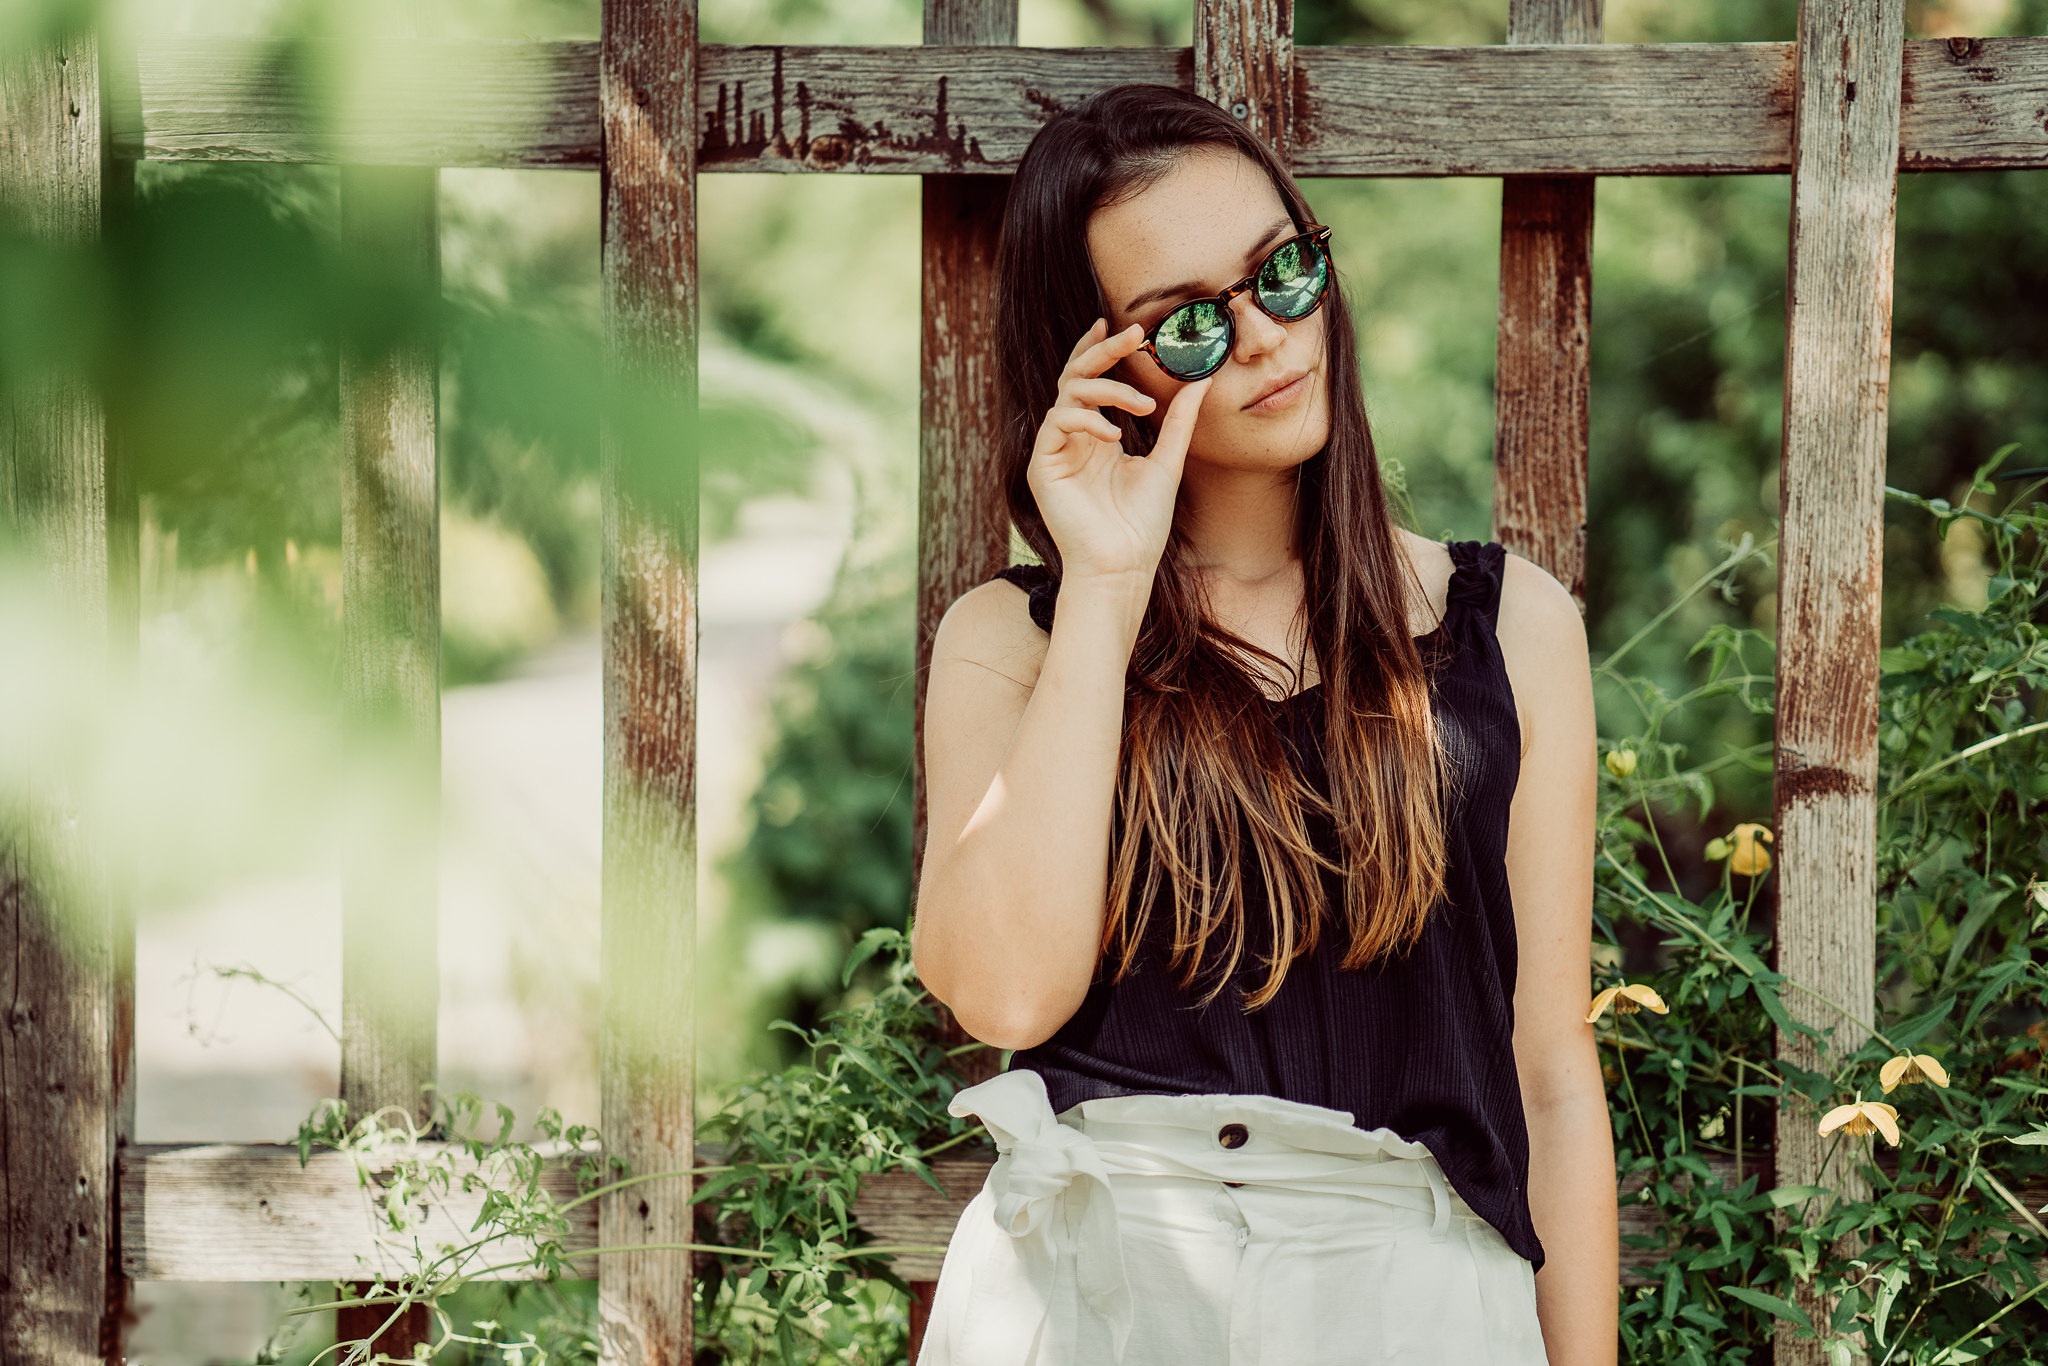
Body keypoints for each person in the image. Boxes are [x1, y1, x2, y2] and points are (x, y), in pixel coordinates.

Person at [909, 82, 1615, 1365]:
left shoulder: (1511, 627)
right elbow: (1004, 990)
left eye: (1279, 271)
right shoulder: (1014, 642)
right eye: (1185, 323)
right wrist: (1109, 589)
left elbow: (1551, 1073)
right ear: (1093, 367)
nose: (1263, 338)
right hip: (1097, 1292)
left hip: (1408, 1300)